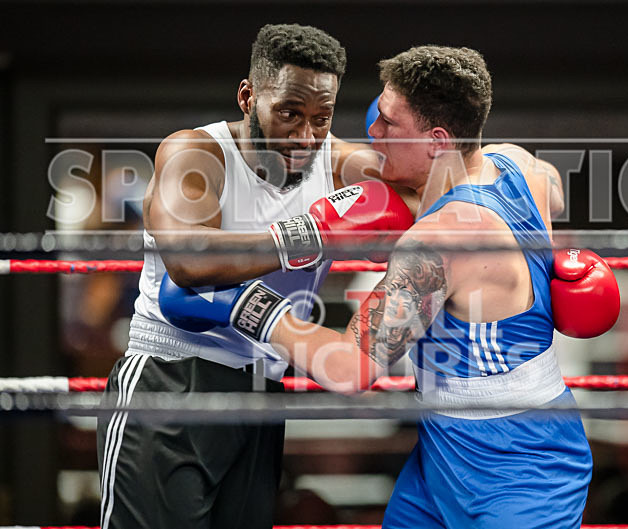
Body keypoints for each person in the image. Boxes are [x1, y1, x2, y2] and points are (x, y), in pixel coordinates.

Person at [160, 45, 620, 528]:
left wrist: (247, 305)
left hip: (524, 469)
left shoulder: (436, 244)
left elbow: (350, 369)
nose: (372, 133)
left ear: (438, 140)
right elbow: (553, 187)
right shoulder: (516, 164)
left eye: (388, 123)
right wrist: (559, 263)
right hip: (441, 456)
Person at [97, 24, 415, 529]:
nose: (305, 136)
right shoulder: (196, 154)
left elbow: (442, 197)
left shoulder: (341, 165)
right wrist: (312, 232)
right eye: (289, 113)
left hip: (262, 387)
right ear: (248, 97)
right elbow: (189, 262)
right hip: (172, 377)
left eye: (321, 118)